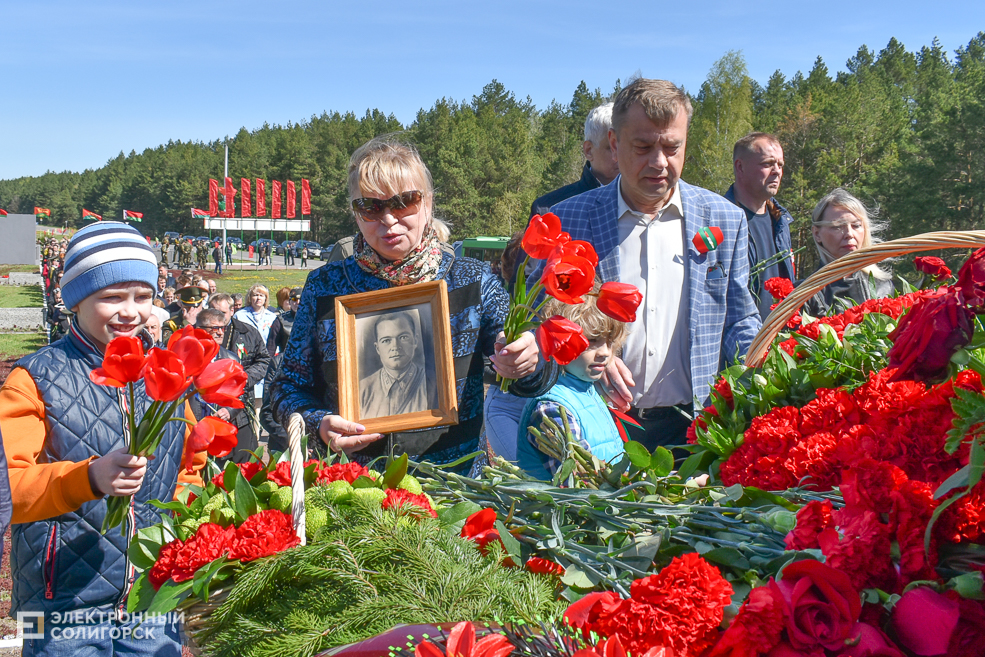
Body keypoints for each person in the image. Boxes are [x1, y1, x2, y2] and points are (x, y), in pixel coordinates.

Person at [268, 135, 541, 468]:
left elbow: (526, 369)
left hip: (453, 489)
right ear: (356, 214)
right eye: (370, 206)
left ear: (428, 204)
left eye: (404, 202)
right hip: (357, 486)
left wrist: (525, 355)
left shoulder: (472, 279)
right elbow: (286, 389)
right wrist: (319, 423)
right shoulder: (325, 287)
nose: (388, 219)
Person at [0, 221, 203, 655]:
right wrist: (88, 478)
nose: (130, 311)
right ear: (75, 300)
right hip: (63, 602)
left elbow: (190, 470)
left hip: (151, 596)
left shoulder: (166, 374)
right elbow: (8, 488)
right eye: (111, 297)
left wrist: (182, 531)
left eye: (143, 297)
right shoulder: (35, 378)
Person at [539, 78, 761, 451]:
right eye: (643, 147)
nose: (659, 162)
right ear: (614, 143)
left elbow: (739, 318)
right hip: (596, 423)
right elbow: (543, 317)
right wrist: (589, 352)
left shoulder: (724, 219)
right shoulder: (570, 220)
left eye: (672, 147)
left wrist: (760, 364)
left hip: (697, 427)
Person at [517, 285, 629, 479]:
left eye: (610, 342)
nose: (605, 353)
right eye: (592, 341)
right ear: (561, 341)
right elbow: (580, 480)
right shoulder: (551, 408)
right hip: (568, 508)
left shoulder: (588, 390)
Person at [724, 132, 795, 320]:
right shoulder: (720, 222)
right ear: (740, 167)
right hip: (741, 343)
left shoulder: (781, 221)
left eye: (780, 165)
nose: (777, 171)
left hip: (783, 340)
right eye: (767, 164)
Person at [801, 188, 894, 316]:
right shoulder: (804, 295)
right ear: (817, 234)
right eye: (837, 227)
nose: (849, 234)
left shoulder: (883, 287)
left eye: (856, 225)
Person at [530, 102, 619, 218]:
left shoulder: (647, 204)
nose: (622, 155)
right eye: (612, 148)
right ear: (589, 151)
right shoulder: (548, 210)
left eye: (630, 147)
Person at [195, 308, 256, 462]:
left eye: (222, 328)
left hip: (221, 429)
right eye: (214, 328)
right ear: (200, 329)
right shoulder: (187, 357)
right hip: (193, 428)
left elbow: (243, 393)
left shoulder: (231, 360)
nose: (220, 333)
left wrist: (228, 411)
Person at [359, 310, 438, 419]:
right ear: (377, 348)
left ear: (415, 341)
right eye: (386, 340)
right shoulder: (362, 390)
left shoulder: (434, 382)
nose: (395, 346)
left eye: (403, 337)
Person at [267, 287, 300, 356]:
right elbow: (270, 349)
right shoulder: (280, 321)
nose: (297, 302)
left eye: (301, 299)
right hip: (287, 362)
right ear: (290, 302)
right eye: (294, 299)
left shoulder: (313, 319)